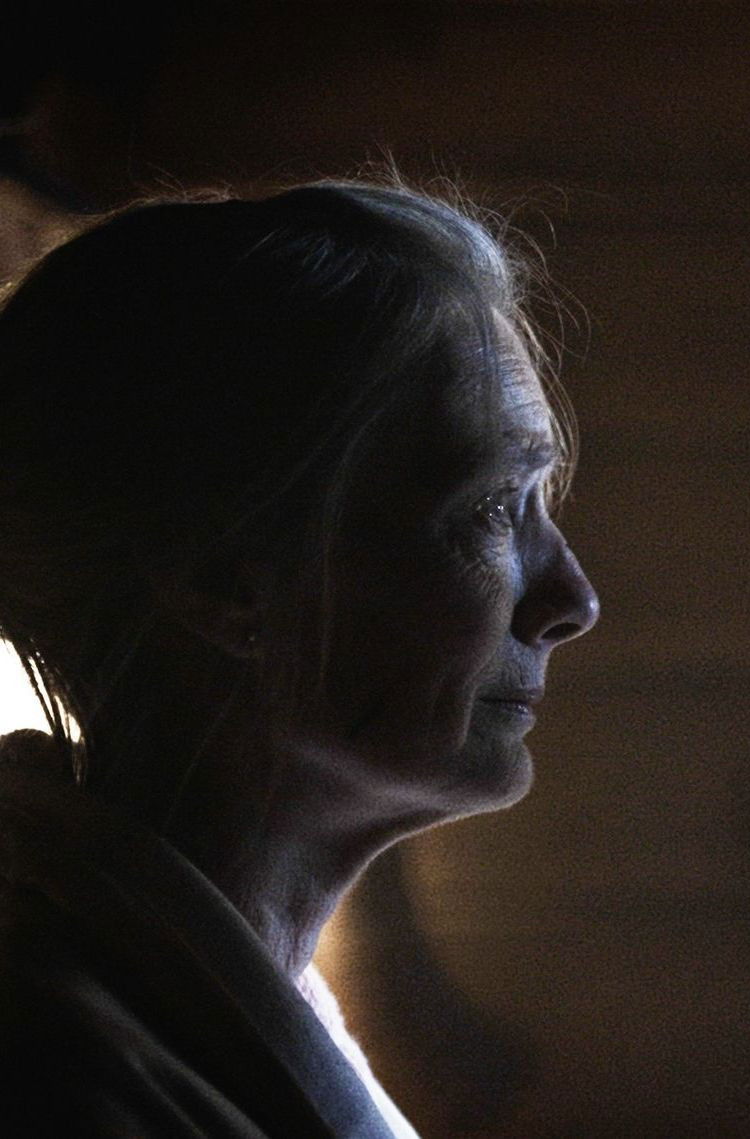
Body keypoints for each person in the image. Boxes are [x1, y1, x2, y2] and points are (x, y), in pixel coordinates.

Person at [0, 181, 600, 1135]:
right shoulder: (62, 1080)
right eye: (489, 507)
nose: (572, 601)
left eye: (536, 501)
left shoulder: (191, 1011)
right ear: (219, 576)